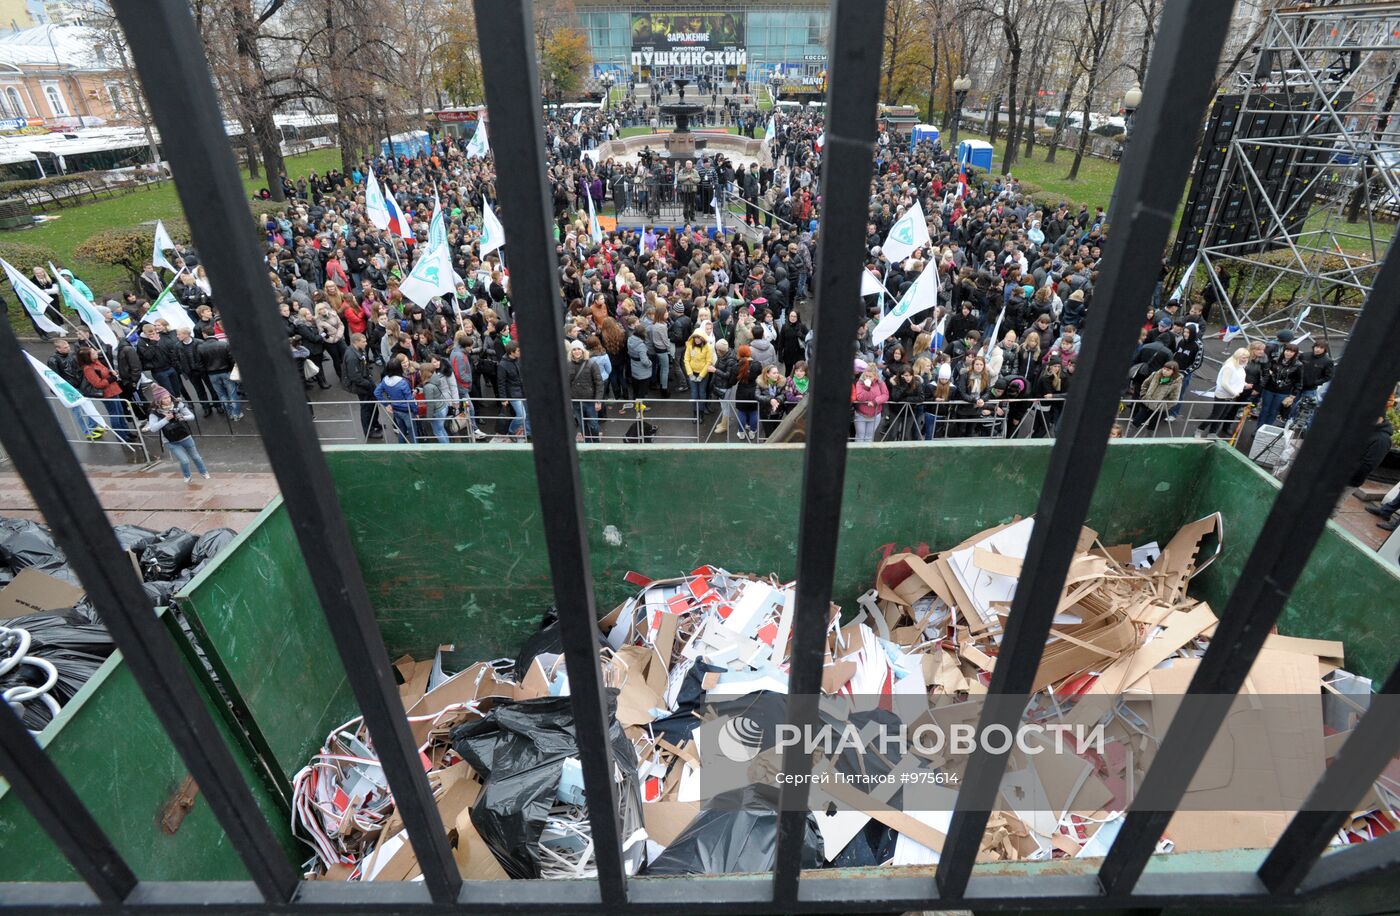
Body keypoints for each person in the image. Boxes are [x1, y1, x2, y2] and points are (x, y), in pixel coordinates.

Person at [142, 387, 210, 483]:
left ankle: (204, 472)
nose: (168, 400)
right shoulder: (154, 412)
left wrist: (183, 417)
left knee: (196, 457)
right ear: (158, 400)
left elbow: (192, 416)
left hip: (185, 436)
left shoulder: (178, 404)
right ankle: (187, 476)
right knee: (184, 461)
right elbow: (153, 428)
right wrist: (165, 419)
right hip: (170, 441)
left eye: (168, 397)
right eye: (164, 398)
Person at [47, 338, 102, 440]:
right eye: (65, 347)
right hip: (69, 390)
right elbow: (55, 378)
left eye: (68, 346)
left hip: (79, 385)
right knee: (78, 411)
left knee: (88, 405)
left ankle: (93, 426)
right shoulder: (53, 360)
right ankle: (87, 431)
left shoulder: (72, 354)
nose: (68, 348)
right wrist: (61, 392)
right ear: (58, 349)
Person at [77, 347, 132, 442]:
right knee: (115, 415)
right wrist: (112, 378)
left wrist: (110, 373)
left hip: (114, 389)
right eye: (93, 352)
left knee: (120, 412)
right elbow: (98, 384)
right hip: (107, 393)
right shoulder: (88, 368)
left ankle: (126, 432)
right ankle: (121, 436)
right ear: (88, 357)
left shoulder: (96, 361)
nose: (96, 353)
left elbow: (104, 371)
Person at [1200, 347, 1250, 438]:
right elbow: (1224, 383)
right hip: (1223, 395)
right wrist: (1234, 392)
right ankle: (1200, 430)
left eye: (1247, 358)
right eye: (1243, 357)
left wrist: (1245, 384)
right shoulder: (1230, 367)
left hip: (1231, 396)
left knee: (1222, 416)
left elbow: (1238, 380)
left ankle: (1212, 433)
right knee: (1215, 415)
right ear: (1238, 356)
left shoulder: (1240, 367)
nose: (1245, 360)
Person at [1257, 341, 1303, 427]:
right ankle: (1258, 428)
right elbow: (1265, 370)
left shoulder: (1298, 365)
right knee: (1264, 409)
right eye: (1287, 350)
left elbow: (1299, 381)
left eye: (1291, 352)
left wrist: (1293, 395)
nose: (1288, 353)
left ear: (1295, 353)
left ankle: (1265, 429)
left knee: (1274, 411)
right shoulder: (1275, 360)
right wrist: (1268, 372)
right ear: (1284, 351)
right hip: (1269, 389)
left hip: (1283, 392)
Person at [374, 359, 417, 443]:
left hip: (396, 410)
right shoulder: (402, 382)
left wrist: (386, 404)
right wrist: (416, 412)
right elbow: (410, 399)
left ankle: (401, 449)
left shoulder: (385, 380)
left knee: (401, 431)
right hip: (407, 410)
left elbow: (377, 392)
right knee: (413, 433)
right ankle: (417, 450)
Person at [568, 339, 603, 442]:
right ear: (571, 351)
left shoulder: (592, 364)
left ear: (583, 350)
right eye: (574, 349)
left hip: (590, 401)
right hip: (576, 402)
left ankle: (596, 443)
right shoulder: (567, 365)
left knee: (593, 424)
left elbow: (599, 383)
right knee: (582, 425)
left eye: (579, 349)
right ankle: (587, 443)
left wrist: (598, 400)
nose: (577, 351)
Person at [1131, 360, 1183, 429]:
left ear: (1173, 372)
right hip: (1147, 403)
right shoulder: (1156, 374)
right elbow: (1145, 384)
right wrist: (1144, 395)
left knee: (1152, 427)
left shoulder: (1176, 383)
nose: (1164, 371)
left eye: (1168, 370)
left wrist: (1162, 407)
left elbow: (1174, 400)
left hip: (1158, 409)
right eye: (1164, 368)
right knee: (1135, 423)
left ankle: (1148, 438)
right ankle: (1127, 438)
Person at [496, 341, 529, 440]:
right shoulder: (502, 365)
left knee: (527, 414)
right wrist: (503, 399)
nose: (520, 352)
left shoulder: (519, 359)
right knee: (521, 415)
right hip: (513, 394)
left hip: (523, 391)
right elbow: (501, 383)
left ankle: (528, 431)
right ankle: (511, 432)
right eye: (518, 350)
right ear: (511, 352)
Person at [683, 328, 715, 421]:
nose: (697, 339)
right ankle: (695, 413)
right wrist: (690, 374)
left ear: (702, 338)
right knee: (694, 394)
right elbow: (686, 360)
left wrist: (701, 375)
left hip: (703, 375)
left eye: (699, 338)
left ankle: (701, 413)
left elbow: (709, 362)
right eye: (695, 337)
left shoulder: (707, 347)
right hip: (692, 373)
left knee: (702, 393)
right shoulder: (689, 346)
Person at [852, 364, 889, 442]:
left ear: (875, 376)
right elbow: (860, 398)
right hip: (861, 414)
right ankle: (858, 453)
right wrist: (866, 387)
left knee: (869, 437)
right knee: (860, 436)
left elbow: (885, 395)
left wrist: (875, 402)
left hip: (875, 415)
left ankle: (866, 453)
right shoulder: (860, 382)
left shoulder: (880, 383)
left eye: (870, 376)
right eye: (866, 376)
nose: (867, 378)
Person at [732, 344, 762, 441]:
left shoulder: (737, 366)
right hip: (754, 391)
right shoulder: (757, 365)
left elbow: (732, 381)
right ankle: (752, 432)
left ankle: (741, 433)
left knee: (742, 412)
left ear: (740, 354)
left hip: (741, 391)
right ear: (749, 353)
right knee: (753, 412)